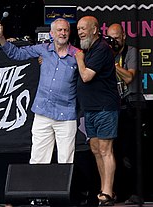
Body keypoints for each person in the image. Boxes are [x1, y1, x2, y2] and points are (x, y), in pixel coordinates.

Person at [0, 18, 80, 164]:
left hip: (66, 114)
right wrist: (1, 38)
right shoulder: (43, 49)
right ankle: (39, 187)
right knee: (38, 159)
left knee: (66, 161)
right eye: (59, 30)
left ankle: (60, 187)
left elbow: (88, 76)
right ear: (51, 33)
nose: (63, 33)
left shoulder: (77, 55)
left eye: (66, 30)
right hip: (43, 112)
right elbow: (17, 54)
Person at [75, 16, 120, 206]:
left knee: (105, 149)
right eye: (78, 29)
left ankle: (107, 193)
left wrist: (79, 59)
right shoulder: (89, 49)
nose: (80, 32)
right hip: (90, 109)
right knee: (95, 149)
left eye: (84, 29)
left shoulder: (101, 48)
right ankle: (105, 188)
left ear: (95, 29)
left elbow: (86, 76)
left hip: (105, 108)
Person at [107, 23, 145, 205]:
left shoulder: (131, 52)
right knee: (116, 152)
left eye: (116, 38)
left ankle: (138, 192)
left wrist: (112, 64)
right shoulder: (106, 54)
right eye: (109, 38)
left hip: (133, 107)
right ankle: (120, 192)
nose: (113, 42)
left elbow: (129, 77)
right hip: (115, 108)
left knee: (133, 152)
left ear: (123, 37)